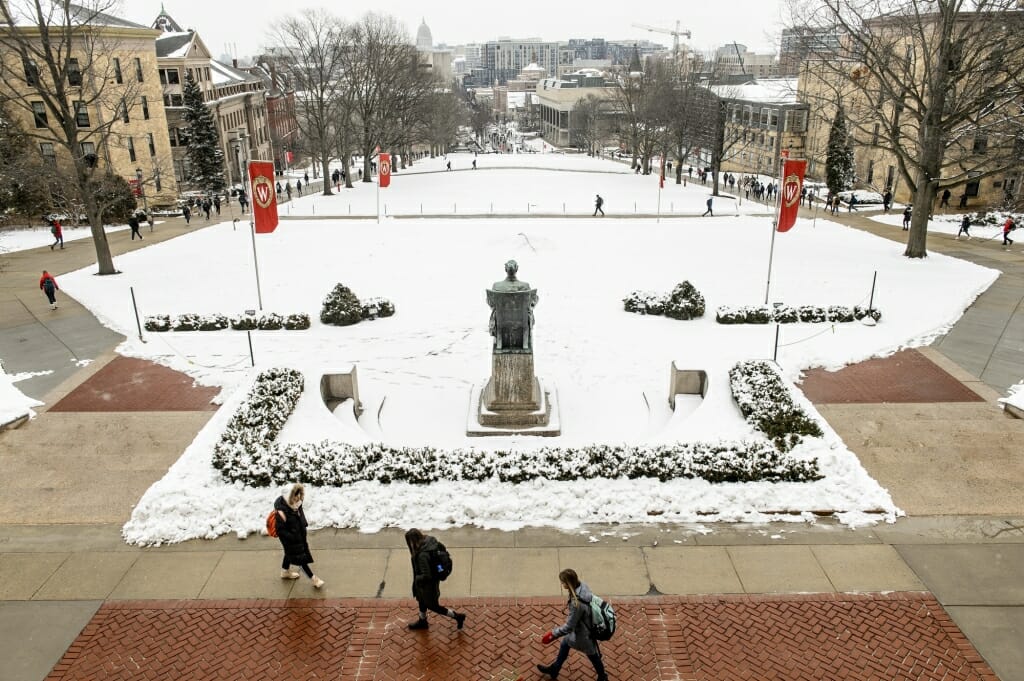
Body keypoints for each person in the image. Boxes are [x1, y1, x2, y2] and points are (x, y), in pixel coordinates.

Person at [537, 568, 608, 681]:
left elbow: (569, 627)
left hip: (583, 635)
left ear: (568, 583)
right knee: (566, 644)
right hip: (587, 628)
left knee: (592, 655)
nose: (562, 584)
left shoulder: (576, 604)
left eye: (563, 582)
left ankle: (602, 676)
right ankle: (555, 669)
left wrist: (552, 634)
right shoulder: (583, 586)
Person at [404, 528, 465, 631]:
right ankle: (422, 621)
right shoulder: (429, 541)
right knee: (421, 600)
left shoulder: (422, 555)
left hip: (428, 585)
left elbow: (426, 575)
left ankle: (458, 617)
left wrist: (417, 579)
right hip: (430, 582)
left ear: (412, 541)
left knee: (434, 606)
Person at [273, 483, 324, 588]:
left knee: (290, 553)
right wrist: (292, 537)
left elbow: (300, 517)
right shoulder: (282, 512)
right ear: (289, 496)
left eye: (299, 494)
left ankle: (285, 571)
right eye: (295, 495)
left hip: (298, 535)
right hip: (290, 539)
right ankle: (314, 579)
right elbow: (280, 530)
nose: (298, 497)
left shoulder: (297, 504)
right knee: (300, 558)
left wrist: (303, 525)